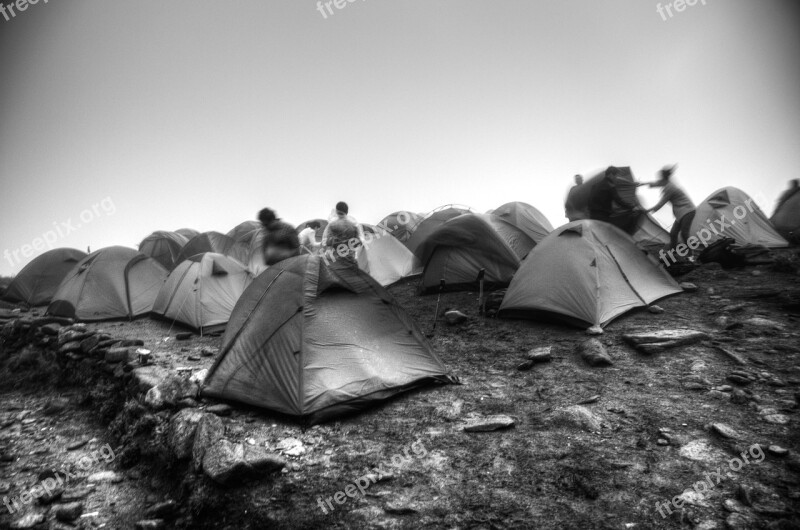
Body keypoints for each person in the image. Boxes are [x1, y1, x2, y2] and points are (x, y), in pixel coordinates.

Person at [646, 165, 696, 249]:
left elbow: (661, 203)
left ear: (664, 176)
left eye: (661, 176)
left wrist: (649, 210)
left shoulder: (670, 187)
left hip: (687, 211)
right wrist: (643, 183)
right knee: (673, 233)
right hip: (681, 213)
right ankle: (673, 252)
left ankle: (693, 252)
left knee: (684, 233)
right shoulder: (667, 182)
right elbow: (657, 183)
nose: (660, 178)